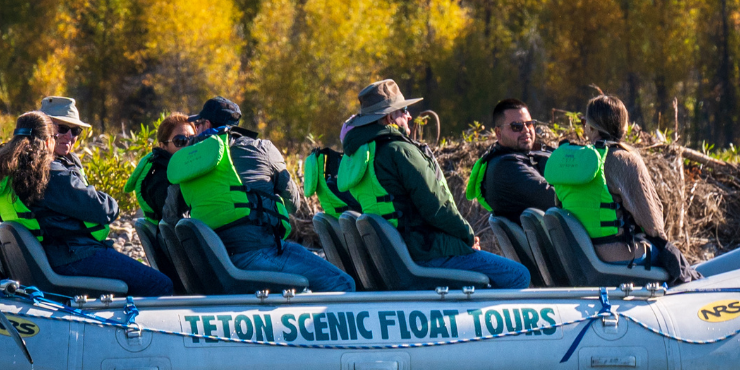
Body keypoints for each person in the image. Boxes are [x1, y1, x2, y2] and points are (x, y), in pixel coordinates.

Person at [333, 80, 532, 289]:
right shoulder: (400, 150)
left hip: (395, 259)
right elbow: (437, 208)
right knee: (518, 275)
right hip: (425, 253)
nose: (409, 116)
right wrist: (468, 236)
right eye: (404, 110)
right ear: (390, 117)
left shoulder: (357, 157)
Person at [166, 96, 357, 291]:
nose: (196, 130)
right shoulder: (262, 148)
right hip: (259, 253)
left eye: (197, 124)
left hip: (212, 263)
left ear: (207, 124)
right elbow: (294, 204)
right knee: (343, 283)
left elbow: (170, 217)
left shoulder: (186, 163)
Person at [0, 110, 173, 296]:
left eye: (75, 131)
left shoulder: (3, 172)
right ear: (46, 140)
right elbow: (106, 210)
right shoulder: (49, 173)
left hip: (41, 258)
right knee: (161, 284)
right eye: (55, 135)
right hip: (71, 255)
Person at [544, 92, 699, 283]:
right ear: (624, 128)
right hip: (616, 256)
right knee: (673, 259)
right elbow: (653, 224)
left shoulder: (572, 162)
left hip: (578, 256)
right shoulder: (625, 160)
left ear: (590, 127)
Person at [465, 98, 557, 220]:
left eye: (529, 124)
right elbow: (554, 198)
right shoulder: (507, 168)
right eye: (516, 126)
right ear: (498, 133)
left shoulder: (507, 159)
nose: (526, 130)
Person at [124, 112, 193, 222]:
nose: (188, 146)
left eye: (193, 139)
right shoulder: (160, 179)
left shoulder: (183, 172)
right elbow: (175, 221)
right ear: (163, 146)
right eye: (180, 141)